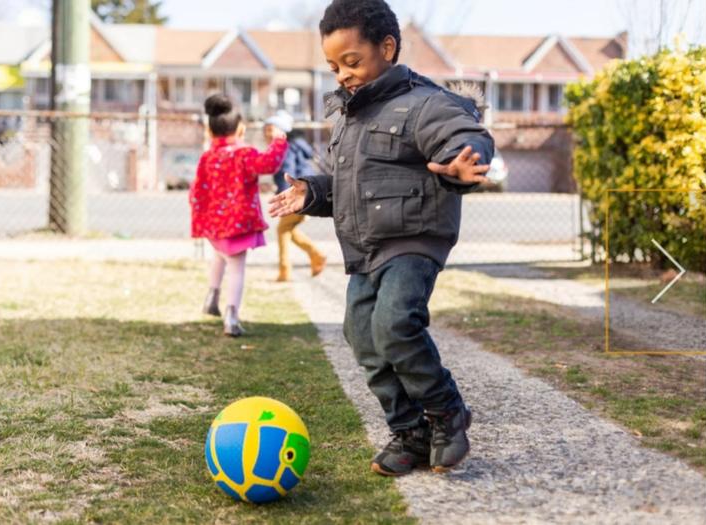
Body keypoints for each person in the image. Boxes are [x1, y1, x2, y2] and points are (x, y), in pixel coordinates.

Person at [268, 0, 494, 476]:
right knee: (362, 335)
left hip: (414, 239)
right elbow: (348, 184)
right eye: (333, 67)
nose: (343, 75)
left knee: (394, 325)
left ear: (386, 48)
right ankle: (409, 430)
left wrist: (459, 161)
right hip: (366, 247)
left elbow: (463, 133)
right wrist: (311, 192)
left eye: (352, 61)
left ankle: (447, 412)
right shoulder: (349, 117)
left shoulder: (424, 103)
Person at [191, 94, 288, 336]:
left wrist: (200, 217)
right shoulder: (244, 154)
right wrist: (278, 142)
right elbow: (268, 165)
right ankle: (231, 315)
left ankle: (211, 296)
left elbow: (197, 189)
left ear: (211, 131)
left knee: (219, 256)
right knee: (236, 268)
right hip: (238, 224)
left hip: (214, 224)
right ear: (241, 128)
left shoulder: (208, 157)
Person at [263, 110, 328, 282]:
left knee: (283, 230)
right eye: (266, 130)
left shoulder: (286, 148)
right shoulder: (293, 146)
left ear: (283, 132)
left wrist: (286, 197)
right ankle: (316, 256)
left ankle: (286, 270)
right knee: (288, 230)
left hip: (298, 196)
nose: (268, 133)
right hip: (307, 193)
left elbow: (288, 172)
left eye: (272, 129)